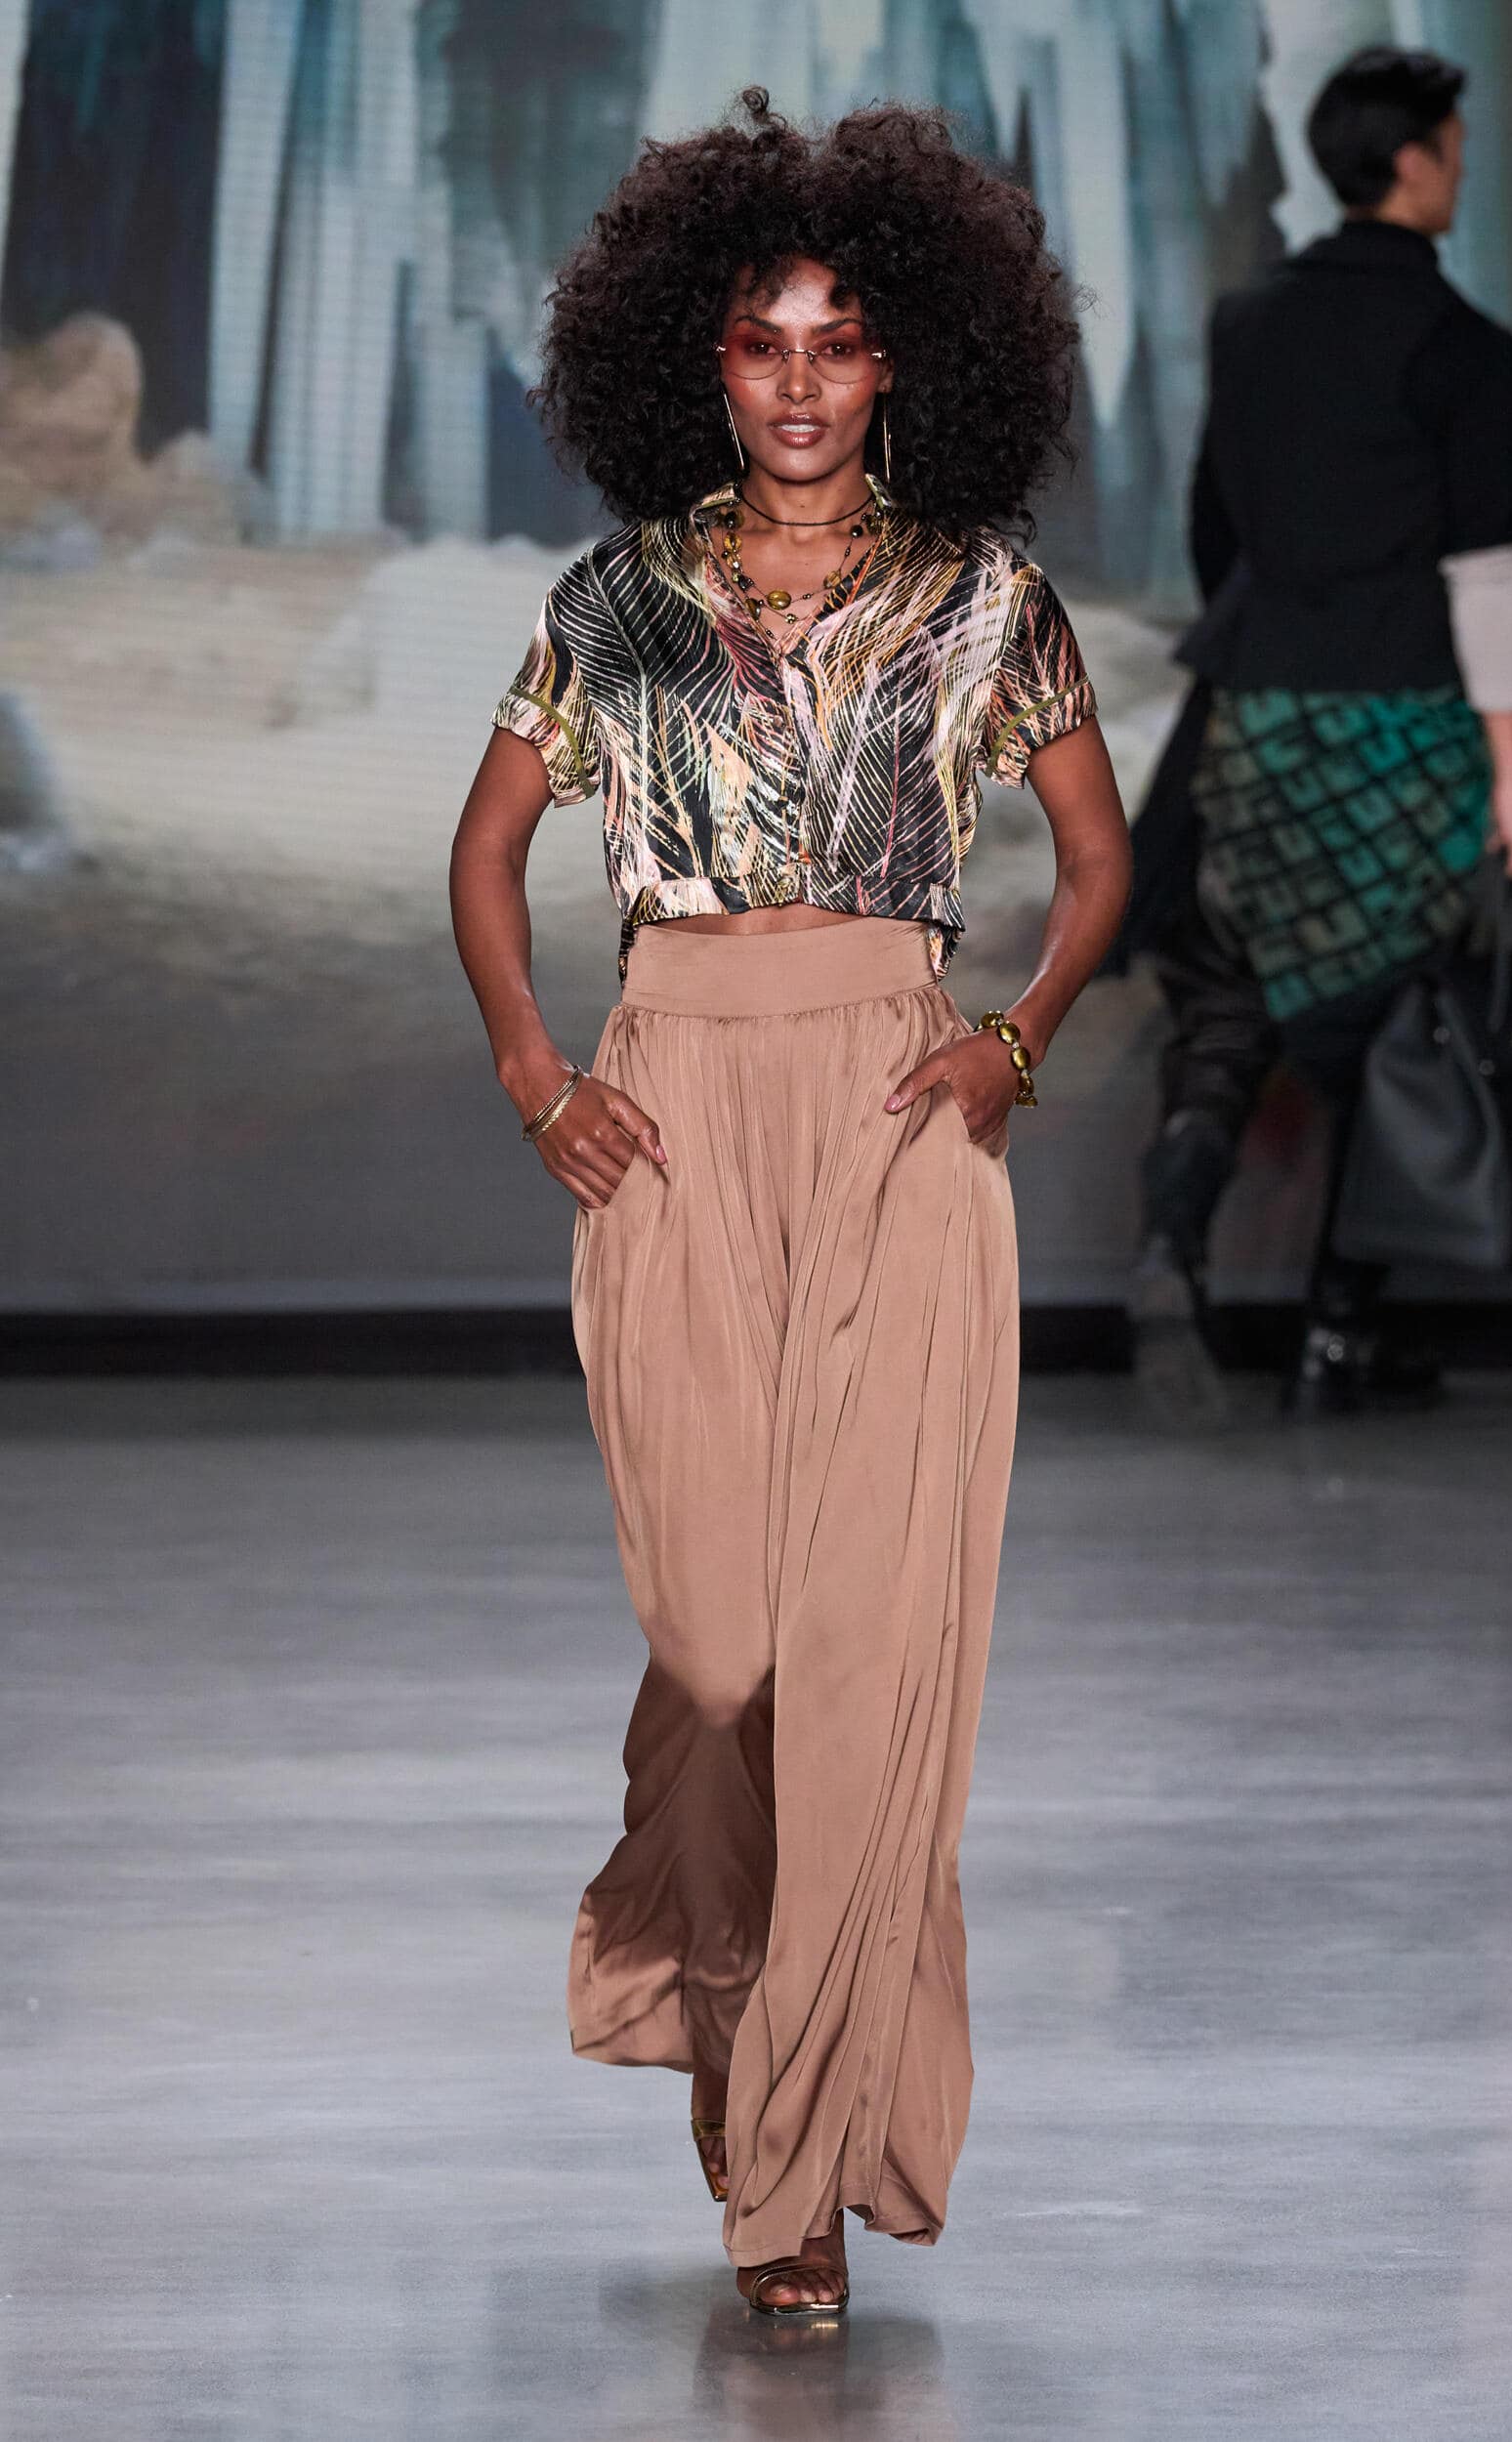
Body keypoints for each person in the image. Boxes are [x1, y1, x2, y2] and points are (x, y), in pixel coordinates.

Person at [447, 92, 1131, 2318]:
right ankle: (710, 1969)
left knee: (861, 1661)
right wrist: (538, 1072)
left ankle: (796, 2157)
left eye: (841, 340)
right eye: (765, 341)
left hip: (896, 1114)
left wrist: (1013, 1039)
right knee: (723, 1645)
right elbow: (485, 852)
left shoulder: (984, 595)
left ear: (904, 355)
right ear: (706, 360)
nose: (806, 381)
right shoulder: (618, 601)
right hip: (672, 1106)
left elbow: (1100, 859)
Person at [1123, 43, 1512, 1420]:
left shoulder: (1250, 324)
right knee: (1390, 1016)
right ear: (1412, 162)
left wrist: (1272, 641)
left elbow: (1215, 523)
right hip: (1400, 720)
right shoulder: (1468, 349)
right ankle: (1337, 1335)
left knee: (1231, 993)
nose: (1462, 169)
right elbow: (1485, 574)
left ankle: (1170, 1249)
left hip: (1256, 706)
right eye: (1454, 149)